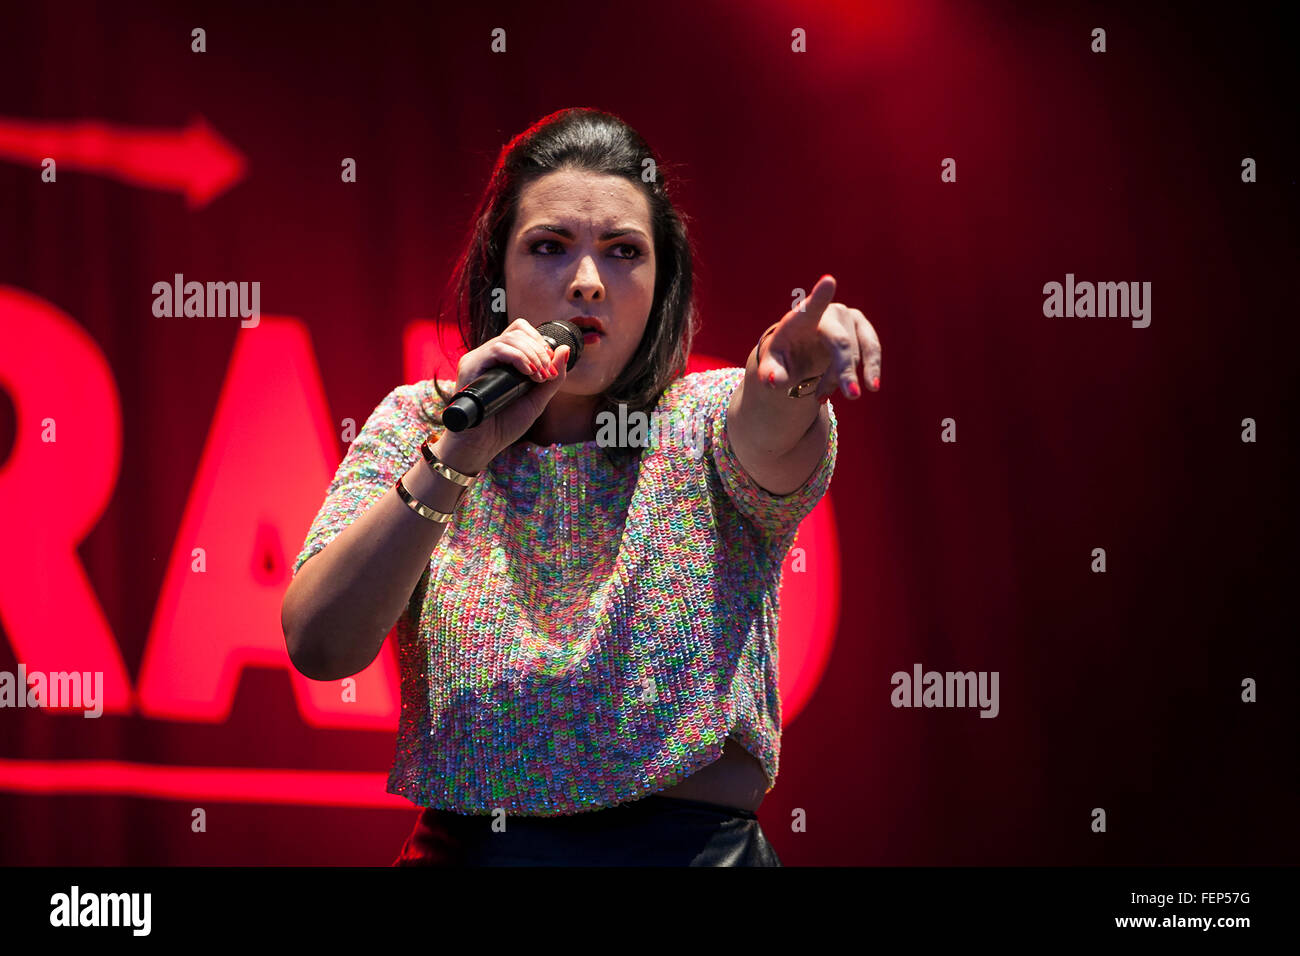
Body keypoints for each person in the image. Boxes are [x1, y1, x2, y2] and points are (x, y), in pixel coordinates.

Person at [280, 107, 882, 866]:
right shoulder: (424, 421)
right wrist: (459, 453)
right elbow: (320, 644)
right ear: (498, 270)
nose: (588, 283)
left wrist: (791, 382)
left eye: (624, 251)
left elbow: (770, 423)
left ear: (663, 282)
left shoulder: (701, 420)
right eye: (550, 247)